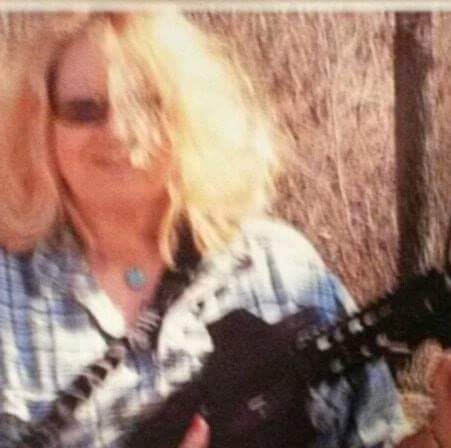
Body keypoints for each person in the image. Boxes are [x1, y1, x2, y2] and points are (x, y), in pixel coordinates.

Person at [0, 8, 448, 448]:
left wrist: (438, 435)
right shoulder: (9, 290)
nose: (118, 131)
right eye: (84, 111)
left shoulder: (278, 267)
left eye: (148, 103)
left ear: (190, 118)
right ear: (41, 127)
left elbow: (373, 438)